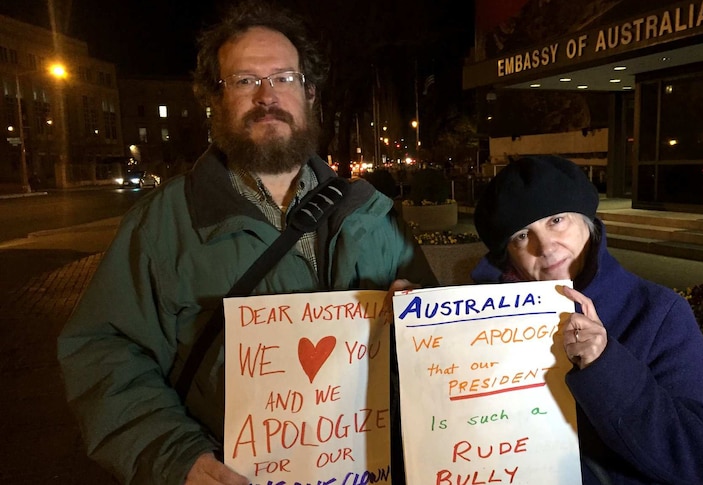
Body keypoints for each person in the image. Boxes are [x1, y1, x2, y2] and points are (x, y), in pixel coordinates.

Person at [56, 1, 436, 484]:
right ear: (213, 100)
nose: (266, 96)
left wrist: (418, 319)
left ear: (310, 93)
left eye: (283, 78)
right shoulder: (164, 224)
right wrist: (175, 456)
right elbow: (102, 352)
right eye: (244, 81)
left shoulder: (372, 211)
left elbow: (431, 339)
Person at [471, 155, 703, 485]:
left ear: (588, 222)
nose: (547, 247)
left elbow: (698, 458)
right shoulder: (479, 324)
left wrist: (605, 366)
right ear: (508, 255)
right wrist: (406, 332)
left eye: (556, 220)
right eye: (523, 235)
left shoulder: (657, 313)